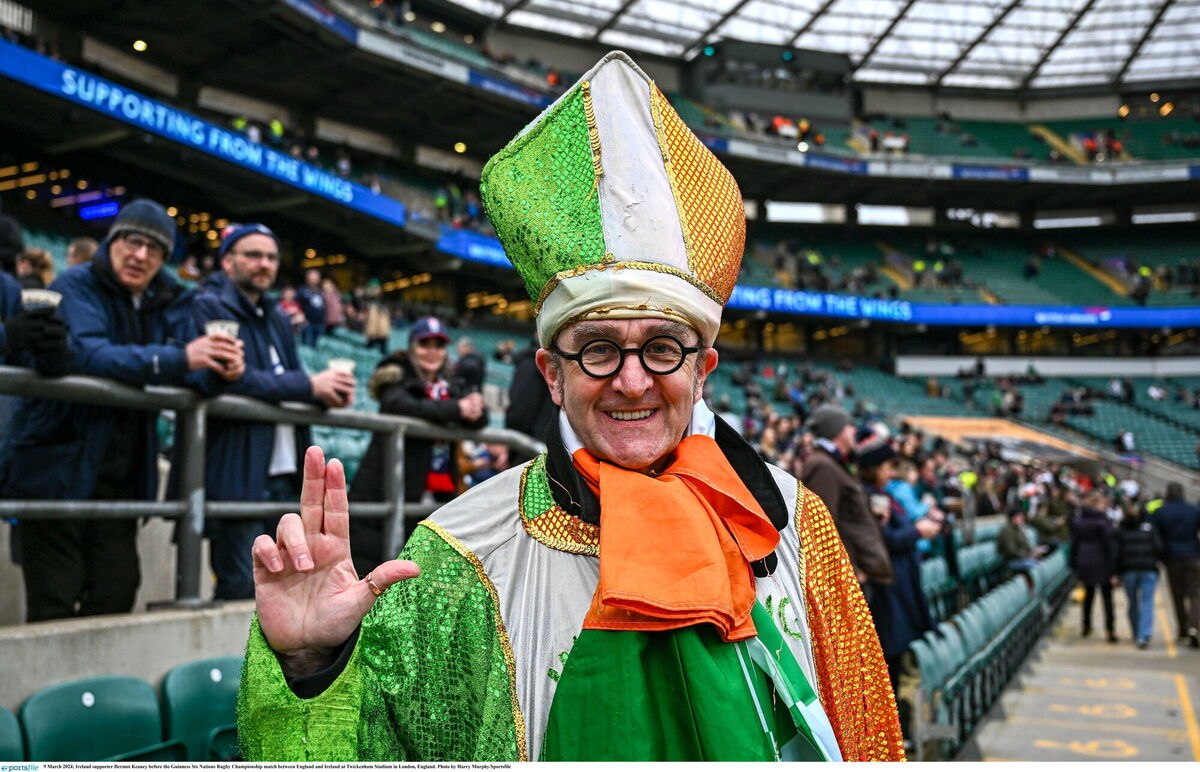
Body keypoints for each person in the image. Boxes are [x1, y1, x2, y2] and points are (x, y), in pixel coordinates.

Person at [237, 53, 903, 762]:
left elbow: (866, 741)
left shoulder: (796, 526)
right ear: (551, 374)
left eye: (663, 349)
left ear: (703, 369)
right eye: (598, 349)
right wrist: (311, 668)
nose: (632, 381)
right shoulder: (459, 557)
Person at [0, 199, 245, 622]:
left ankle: (94, 688)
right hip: (55, 469)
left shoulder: (170, 300)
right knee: (55, 600)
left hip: (121, 478)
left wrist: (221, 372)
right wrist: (181, 359)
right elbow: (90, 355)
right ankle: (57, 689)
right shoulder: (77, 285)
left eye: (154, 249)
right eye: (133, 242)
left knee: (117, 591)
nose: (140, 255)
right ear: (113, 242)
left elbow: (193, 370)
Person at [190, 223, 357, 600]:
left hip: (285, 472)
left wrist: (322, 395)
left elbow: (290, 379)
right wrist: (310, 386)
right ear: (227, 261)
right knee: (240, 589)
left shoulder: (278, 316)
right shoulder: (208, 305)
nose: (263, 264)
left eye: (270, 257)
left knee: (288, 591)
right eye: (252, 255)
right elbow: (230, 379)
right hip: (239, 471)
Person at [348, 316, 487, 576]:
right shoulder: (395, 371)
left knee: (421, 572)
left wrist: (475, 409)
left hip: (436, 490)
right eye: (425, 344)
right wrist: (457, 409)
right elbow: (398, 404)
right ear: (412, 346)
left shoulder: (450, 381)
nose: (432, 351)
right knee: (377, 569)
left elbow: (479, 419)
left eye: (439, 345)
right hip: (389, 483)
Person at [856, 435, 937, 685]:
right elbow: (886, 539)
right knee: (890, 652)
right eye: (887, 466)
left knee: (898, 651)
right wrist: (918, 531)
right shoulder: (870, 496)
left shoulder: (882, 494)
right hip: (890, 584)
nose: (891, 472)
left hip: (900, 579)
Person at [800, 404, 893, 588]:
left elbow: (843, 517)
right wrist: (851, 570)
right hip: (851, 577)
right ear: (838, 431)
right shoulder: (823, 466)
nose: (854, 431)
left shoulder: (832, 463)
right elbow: (822, 526)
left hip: (861, 571)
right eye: (849, 426)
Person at [1153, 482, 1200, 647]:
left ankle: (1182, 629)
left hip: (1171, 557)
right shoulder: (1194, 510)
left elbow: (1155, 536)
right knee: (1195, 594)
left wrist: (1160, 555)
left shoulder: (1160, 512)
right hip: (1193, 555)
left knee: (1177, 595)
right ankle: (1195, 626)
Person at [1071, 492, 1117, 642]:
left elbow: (1074, 544)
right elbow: (1109, 546)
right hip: (1102, 561)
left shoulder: (1079, 522)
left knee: (1088, 596)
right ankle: (1110, 629)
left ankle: (1086, 625)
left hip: (1085, 560)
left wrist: (1073, 563)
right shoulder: (1103, 523)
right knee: (1107, 597)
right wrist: (1114, 567)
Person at [1114, 509, 1162, 648]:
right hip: (1148, 568)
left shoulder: (1121, 530)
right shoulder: (1149, 529)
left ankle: (1136, 632)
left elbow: (1117, 553)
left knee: (1132, 602)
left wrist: (1116, 572)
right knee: (1147, 602)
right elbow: (1158, 547)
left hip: (1129, 570)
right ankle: (1144, 634)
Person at [297, 269, 325, 346]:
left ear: (318, 280)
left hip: (319, 324)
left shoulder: (321, 291)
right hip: (307, 324)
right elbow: (297, 305)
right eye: (311, 279)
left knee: (316, 347)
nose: (313, 281)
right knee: (307, 347)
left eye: (315, 279)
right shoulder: (302, 290)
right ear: (307, 279)